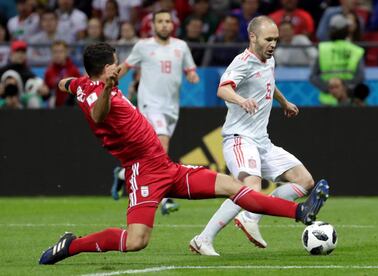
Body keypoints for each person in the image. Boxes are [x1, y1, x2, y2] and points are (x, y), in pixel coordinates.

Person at [38, 42, 329, 265]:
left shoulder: (81, 85)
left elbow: (68, 84)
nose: (119, 69)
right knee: (137, 240)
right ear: (106, 69)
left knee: (233, 187)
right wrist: (106, 89)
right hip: (144, 172)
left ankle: (299, 212)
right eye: (116, 65)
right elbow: (99, 115)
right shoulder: (98, 94)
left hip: (165, 167)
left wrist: (65, 84)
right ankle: (72, 245)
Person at [189, 16, 326, 256]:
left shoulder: (268, 60)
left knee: (304, 181)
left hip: (262, 140)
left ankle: (251, 216)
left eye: (276, 39)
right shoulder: (242, 62)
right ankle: (203, 239)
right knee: (248, 187)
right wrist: (242, 100)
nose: (273, 44)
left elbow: (269, 83)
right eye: (268, 39)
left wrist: (284, 101)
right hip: (239, 138)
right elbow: (222, 88)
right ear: (253, 37)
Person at [110, 10, 199, 216]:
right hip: (150, 104)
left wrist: (192, 76)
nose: (164, 25)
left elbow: (190, 70)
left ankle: (124, 174)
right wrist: (109, 80)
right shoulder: (143, 46)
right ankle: (165, 197)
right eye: (160, 21)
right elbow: (126, 66)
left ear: (172, 25)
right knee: (162, 144)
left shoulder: (181, 46)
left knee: (153, 152)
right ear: (153, 25)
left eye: (168, 21)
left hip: (171, 108)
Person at [310, 14, 365, 106]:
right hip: (347, 100)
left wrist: (329, 89)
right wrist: (343, 89)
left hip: (326, 101)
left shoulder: (323, 49)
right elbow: (360, 76)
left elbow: (313, 77)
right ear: (346, 31)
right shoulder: (355, 50)